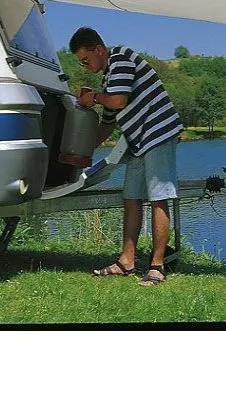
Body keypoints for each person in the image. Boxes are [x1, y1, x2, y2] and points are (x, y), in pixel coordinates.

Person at [69, 27, 183, 286]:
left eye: (86, 60)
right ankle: (126, 261)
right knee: (131, 198)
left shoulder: (121, 57)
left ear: (99, 50)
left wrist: (93, 98)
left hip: (158, 133)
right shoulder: (108, 78)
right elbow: (108, 124)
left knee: (159, 198)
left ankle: (157, 266)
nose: (85, 66)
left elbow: (118, 101)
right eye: (81, 63)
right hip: (139, 141)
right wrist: (81, 152)